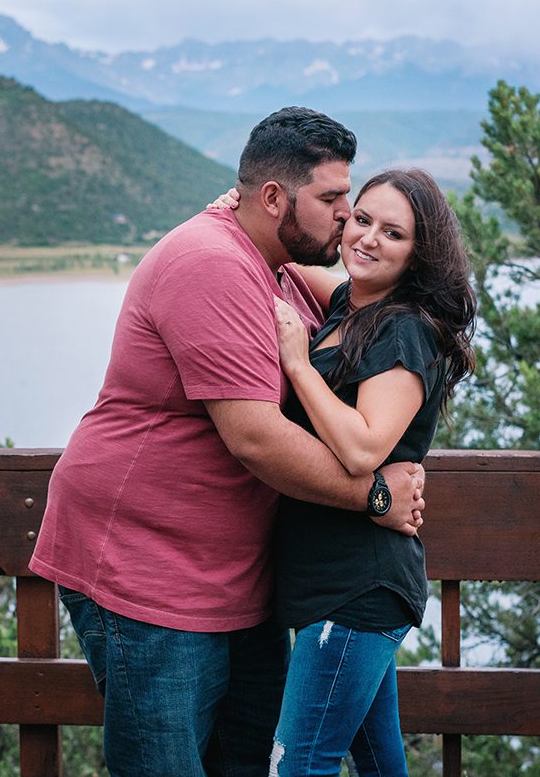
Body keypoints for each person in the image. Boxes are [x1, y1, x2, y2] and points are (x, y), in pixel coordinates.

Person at [28, 108, 428, 777]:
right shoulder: (210, 264)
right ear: (274, 199)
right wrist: (375, 493)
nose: (346, 217)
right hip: (144, 568)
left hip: (235, 580)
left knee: (248, 761)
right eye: (332, 200)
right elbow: (256, 438)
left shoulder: (279, 267)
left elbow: (380, 290)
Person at [267, 167, 477, 776]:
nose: (367, 239)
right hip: (331, 585)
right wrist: (234, 213)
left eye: (393, 232)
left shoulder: (404, 329)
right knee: (381, 767)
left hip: (356, 588)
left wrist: (299, 366)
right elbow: (269, 259)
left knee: (297, 766)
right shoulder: (348, 304)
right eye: (361, 219)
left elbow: (363, 450)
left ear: (419, 255)